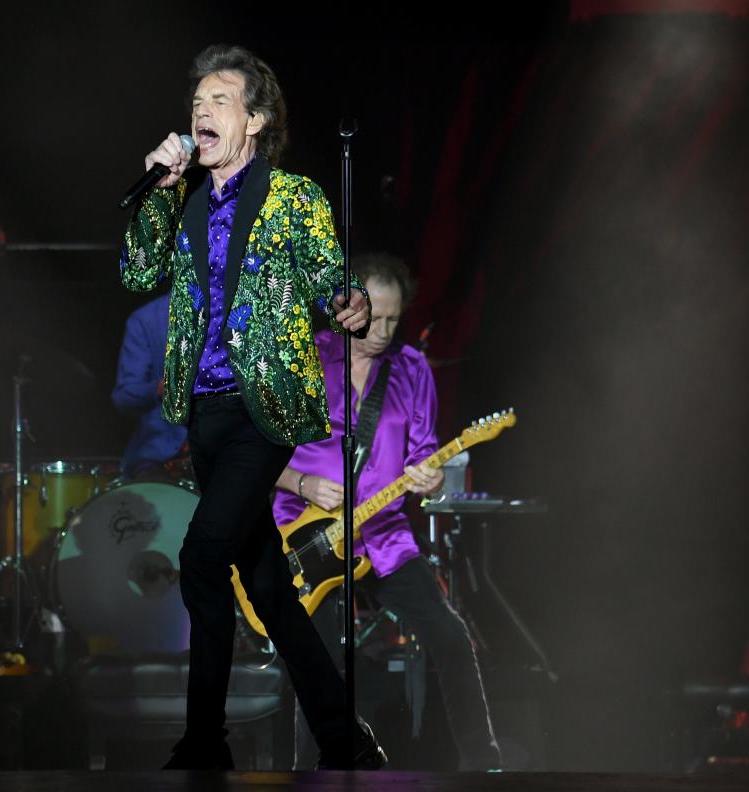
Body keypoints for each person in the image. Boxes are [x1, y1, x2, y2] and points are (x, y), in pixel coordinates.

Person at [119, 44, 384, 770]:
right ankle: (343, 737)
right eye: (197, 102)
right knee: (268, 587)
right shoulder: (184, 197)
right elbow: (137, 269)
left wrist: (348, 303)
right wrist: (160, 187)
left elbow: (329, 279)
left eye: (220, 101)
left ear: (257, 121)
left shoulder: (293, 197)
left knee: (203, 557)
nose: (201, 112)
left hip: (261, 409)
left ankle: (205, 742)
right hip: (201, 413)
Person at [273, 252, 502, 771]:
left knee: (450, 634)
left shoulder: (412, 368)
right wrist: (302, 481)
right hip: (305, 537)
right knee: (321, 665)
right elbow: (251, 454)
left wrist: (432, 476)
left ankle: (484, 767)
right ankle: (317, 775)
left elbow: (423, 450)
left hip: (382, 533)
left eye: (394, 319)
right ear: (342, 306)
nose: (382, 330)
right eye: (372, 316)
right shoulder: (302, 358)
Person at [111, 292, 188, 477]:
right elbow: (123, 396)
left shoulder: (240, 312)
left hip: (226, 450)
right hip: (159, 456)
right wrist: (161, 388)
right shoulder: (146, 319)